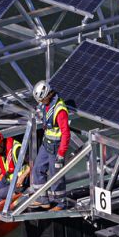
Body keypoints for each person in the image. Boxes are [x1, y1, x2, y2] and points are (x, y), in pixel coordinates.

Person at [31, 80, 70, 209]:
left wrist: (61, 153)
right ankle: (43, 199)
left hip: (56, 147)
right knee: (37, 168)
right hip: (46, 143)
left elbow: (65, 133)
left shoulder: (60, 110)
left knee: (56, 174)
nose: (41, 103)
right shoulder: (45, 105)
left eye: (42, 100)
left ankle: (61, 202)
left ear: (48, 95)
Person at [0, 130, 30, 204]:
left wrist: (22, 177)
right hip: (7, 179)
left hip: (19, 183)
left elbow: (34, 164)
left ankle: (7, 210)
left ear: (1, 142)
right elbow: (0, 167)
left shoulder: (17, 149)